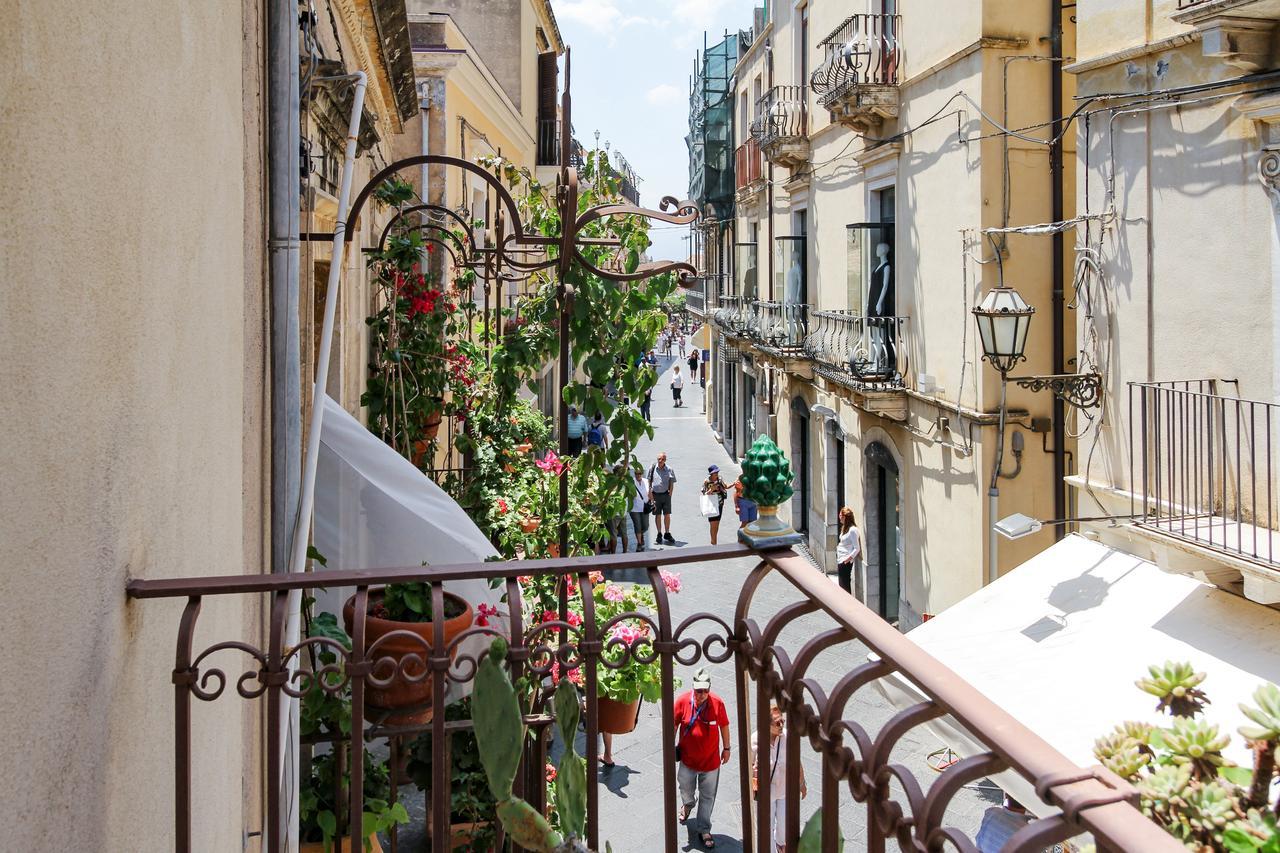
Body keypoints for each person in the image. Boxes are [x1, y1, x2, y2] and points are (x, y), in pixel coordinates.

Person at [674, 667, 730, 849]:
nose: (702, 694)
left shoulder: (717, 703)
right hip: (688, 760)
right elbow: (672, 726)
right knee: (684, 786)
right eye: (699, 690)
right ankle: (688, 804)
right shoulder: (682, 701)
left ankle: (704, 828)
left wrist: (727, 748)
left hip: (711, 762)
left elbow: (724, 726)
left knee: (708, 796)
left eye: (706, 690)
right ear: (693, 688)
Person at [750, 704, 807, 852]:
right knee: (766, 829)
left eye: (782, 721)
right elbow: (748, 765)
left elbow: (796, 761)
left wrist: (802, 783)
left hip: (784, 791)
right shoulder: (755, 740)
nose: (781, 725)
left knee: (784, 828)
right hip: (765, 794)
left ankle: (780, 844)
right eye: (777, 723)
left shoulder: (788, 737)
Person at [648, 452, 677, 544]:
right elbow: (649, 481)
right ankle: (659, 533)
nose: (660, 461)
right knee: (658, 515)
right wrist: (651, 496)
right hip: (655, 495)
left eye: (662, 459)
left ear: (665, 460)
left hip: (666, 495)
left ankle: (667, 532)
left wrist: (670, 494)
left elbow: (672, 482)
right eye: (659, 459)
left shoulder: (669, 469)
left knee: (667, 514)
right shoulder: (652, 468)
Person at [835, 506, 861, 594]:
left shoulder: (852, 530)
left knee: (844, 585)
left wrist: (846, 560)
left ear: (845, 517)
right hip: (841, 559)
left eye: (840, 515)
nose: (839, 517)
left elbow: (857, 548)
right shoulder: (845, 528)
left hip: (845, 561)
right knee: (842, 585)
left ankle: (847, 605)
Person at [701, 465, 728, 545]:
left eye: (717, 472)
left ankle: (714, 543)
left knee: (716, 525)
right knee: (713, 525)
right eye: (715, 473)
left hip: (720, 505)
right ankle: (713, 543)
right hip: (711, 505)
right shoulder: (706, 481)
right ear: (711, 474)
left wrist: (734, 484)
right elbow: (704, 494)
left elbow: (725, 487)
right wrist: (711, 490)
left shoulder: (720, 479)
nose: (717, 474)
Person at [630, 466, 651, 552]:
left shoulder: (646, 481)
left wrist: (653, 501)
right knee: (637, 526)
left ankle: (641, 535)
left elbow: (650, 492)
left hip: (645, 507)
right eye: (636, 474)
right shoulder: (631, 482)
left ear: (642, 474)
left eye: (639, 473)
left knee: (645, 526)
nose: (638, 475)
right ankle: (639, 543)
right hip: (634, 508)